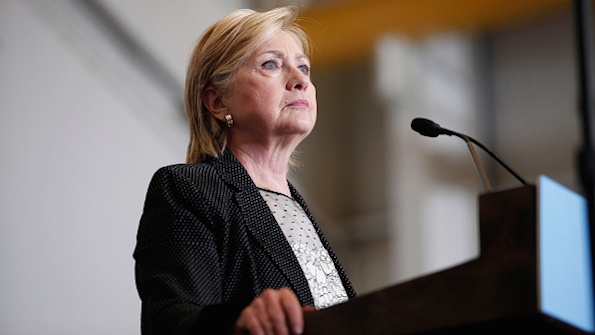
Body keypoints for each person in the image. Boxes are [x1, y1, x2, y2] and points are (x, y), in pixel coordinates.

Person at [133, 5, 356, 335]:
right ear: (218, 102)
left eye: (304, 69)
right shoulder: (189, 189)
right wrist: (239, 321)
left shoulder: (299, 210)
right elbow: (168, 321)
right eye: (271, 64)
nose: (300, 82)